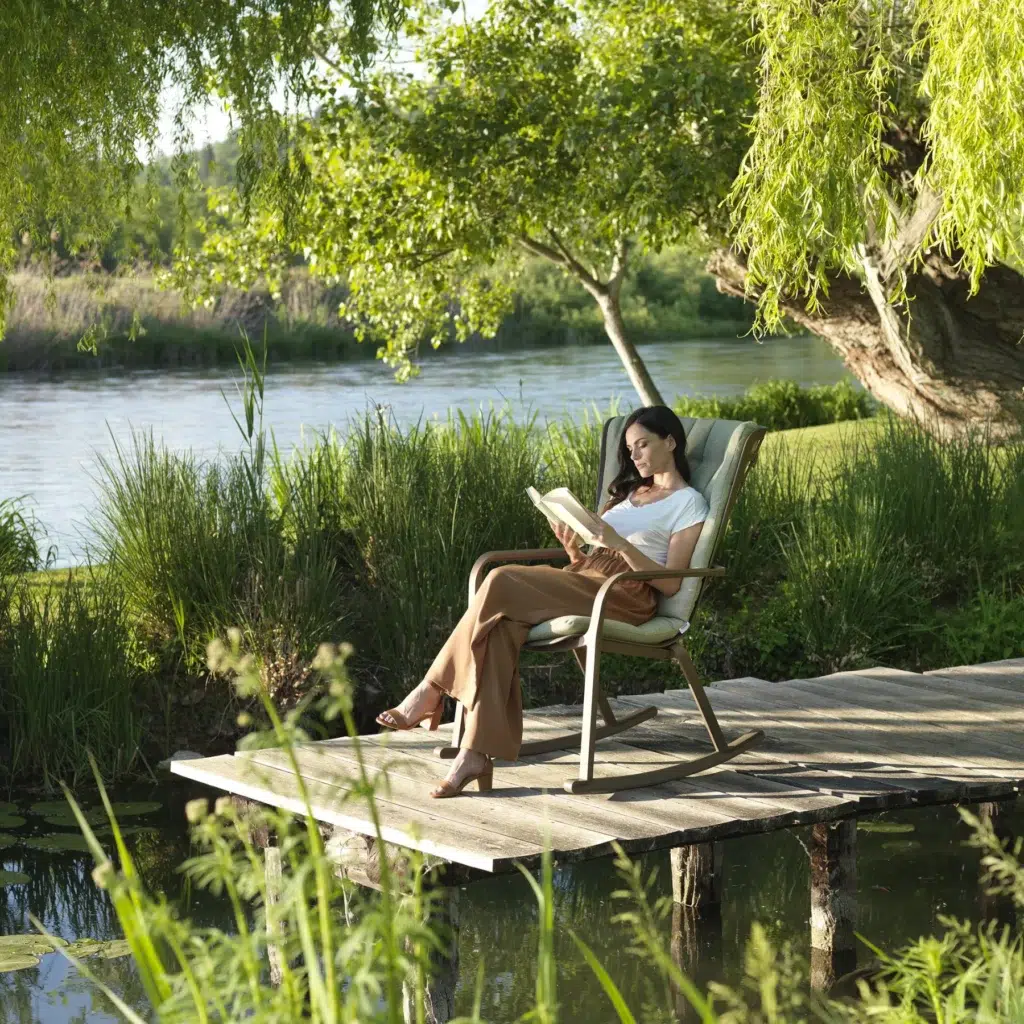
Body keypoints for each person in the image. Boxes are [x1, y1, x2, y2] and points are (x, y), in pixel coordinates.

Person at [376, 405, 709, 797]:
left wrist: (618, 543)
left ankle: (430, 689)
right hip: (586, 579)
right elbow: (589, 561)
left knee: (500, 576)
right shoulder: (631, 493)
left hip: (623, 595)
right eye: (629, 449)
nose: (634, 456)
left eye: (642, 445)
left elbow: (670, 584)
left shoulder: (689, 503)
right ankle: (474, 754)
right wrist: (573, 549)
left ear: (670, 442)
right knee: (500, 627)